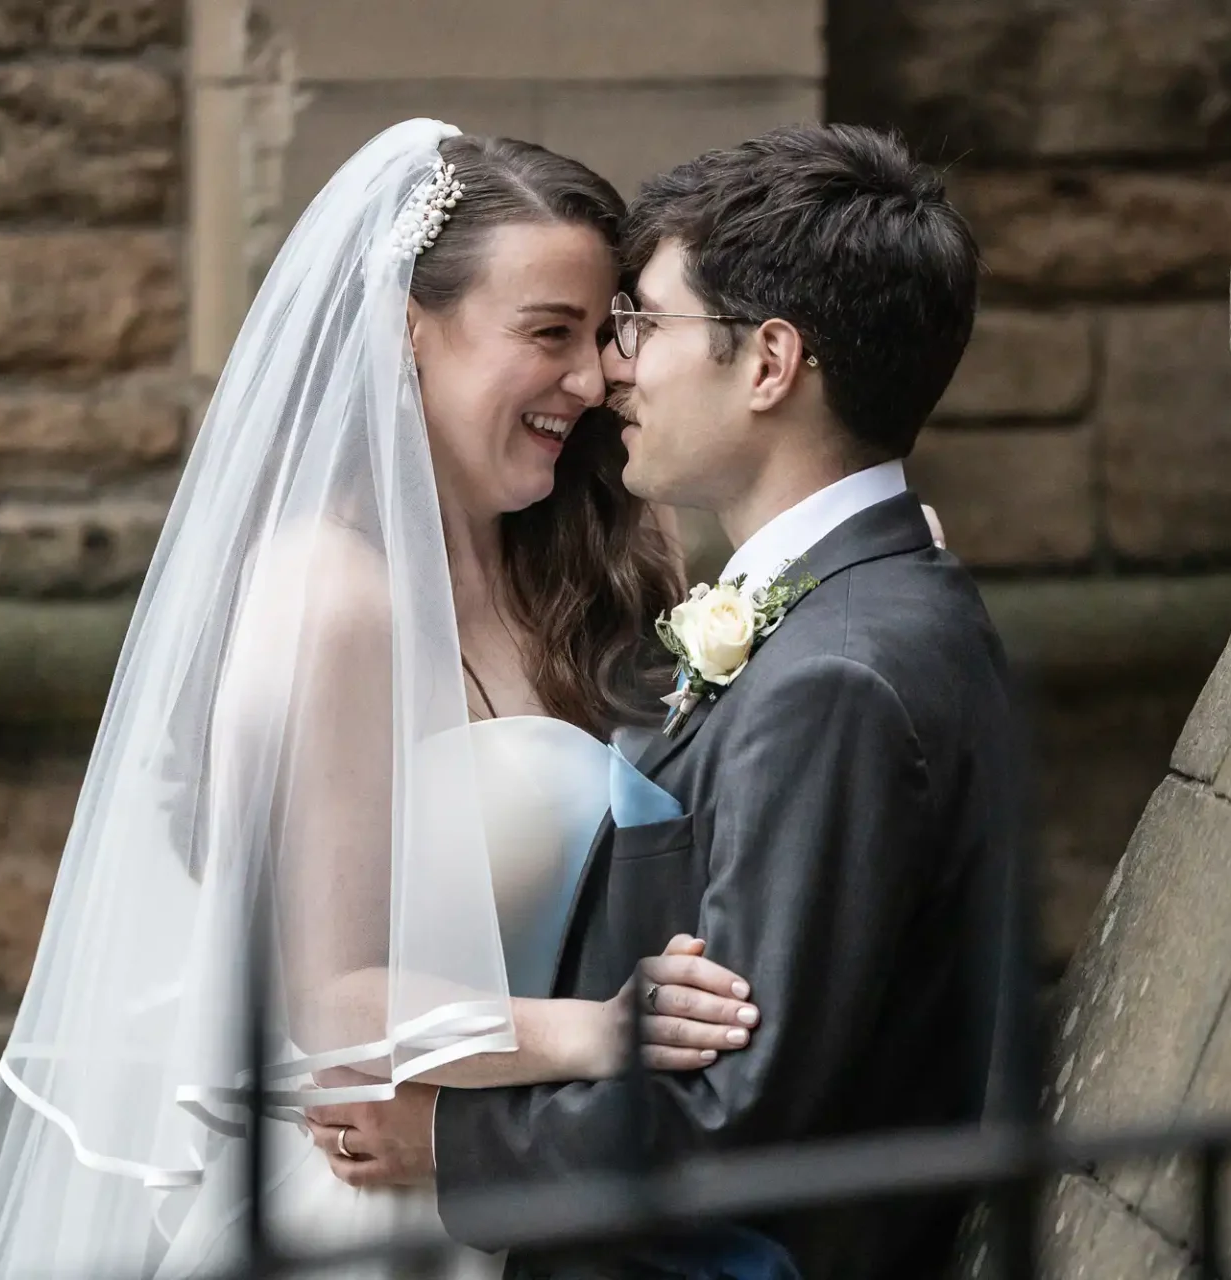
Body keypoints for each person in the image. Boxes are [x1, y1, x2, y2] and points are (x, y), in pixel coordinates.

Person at [0, 120, 773, 1280]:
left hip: (528, 1193)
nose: (592, 379)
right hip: (368, 1210)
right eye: (548, 334)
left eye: (606, 333)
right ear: (406, 329)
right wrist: (608, 1030)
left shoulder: (591, 563)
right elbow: (332, 998)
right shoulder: (333, 597)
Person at [316, 124, 1014, 1280]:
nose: (611, 369)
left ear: (771, 362)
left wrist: (447, 1136)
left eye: (639, 321)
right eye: (576, 331)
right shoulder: (844, 605)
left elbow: (741, 1096)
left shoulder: (839, 666)